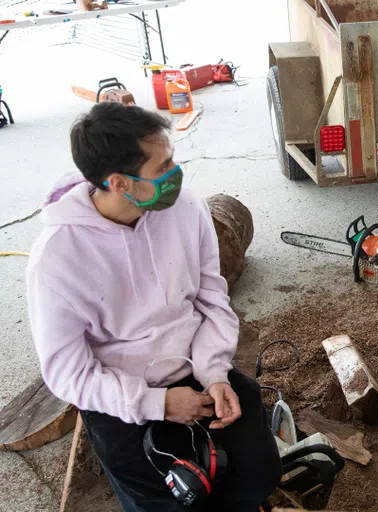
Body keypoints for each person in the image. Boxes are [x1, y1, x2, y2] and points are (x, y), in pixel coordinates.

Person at [26, 103, 281, 511]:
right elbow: (67, 373)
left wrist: (214, 372)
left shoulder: (186, 209)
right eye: (162, 168)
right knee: (166, 501)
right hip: (122, 397)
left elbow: (211, 297)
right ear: (118, 183)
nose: (175, 174)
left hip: (195, 369)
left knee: (259, 469)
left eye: (172, 159)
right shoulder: (57, 259)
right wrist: (156, 405)